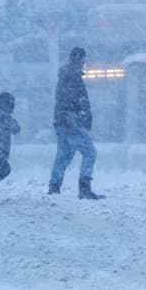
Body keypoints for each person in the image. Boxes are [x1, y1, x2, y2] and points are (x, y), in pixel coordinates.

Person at [48, 47, 102, 199]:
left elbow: (63, 99)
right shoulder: (72, 77)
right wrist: (75, 117)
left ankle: (54, 186)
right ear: (79, 59)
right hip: (71, 122)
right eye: (83, 59)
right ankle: (84, 188)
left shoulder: (66, 76)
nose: (84, 63)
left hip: (62, 121)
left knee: (64, 155)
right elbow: (71, 100)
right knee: (90, 153)